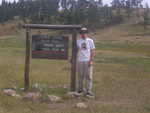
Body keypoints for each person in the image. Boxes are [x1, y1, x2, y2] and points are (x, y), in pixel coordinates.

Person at [77, 27, 96, 97]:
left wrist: (91, 60)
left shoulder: (90, 41)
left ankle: (88, 91)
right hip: (80, 61)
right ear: (80, 34)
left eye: (85, 32)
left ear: (87, 33)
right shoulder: (78, 41)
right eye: (82, 33)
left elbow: (93, 51)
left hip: (87, 60)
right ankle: (80, 89)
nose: (83, 34)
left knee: (88, 76)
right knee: (80, 76)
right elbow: (76, 51)